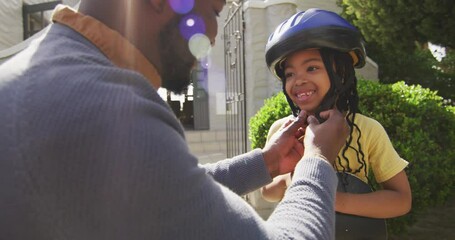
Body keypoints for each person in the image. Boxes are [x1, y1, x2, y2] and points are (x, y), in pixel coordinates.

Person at [0, 1, 350, 239]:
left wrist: (267, 162)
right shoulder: (106, 109)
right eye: (213, 10)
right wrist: (318, 160)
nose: (212, 34)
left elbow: (164, 192)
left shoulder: (50, 75)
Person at [261, 8, 412, 220]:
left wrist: (330, 198)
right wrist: (290, 180)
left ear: (341, 72)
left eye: (312, 68)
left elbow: (401, 200)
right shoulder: (283, 131)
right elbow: (266, 192)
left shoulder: (367, 130)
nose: (298, 80)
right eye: (290, 74)